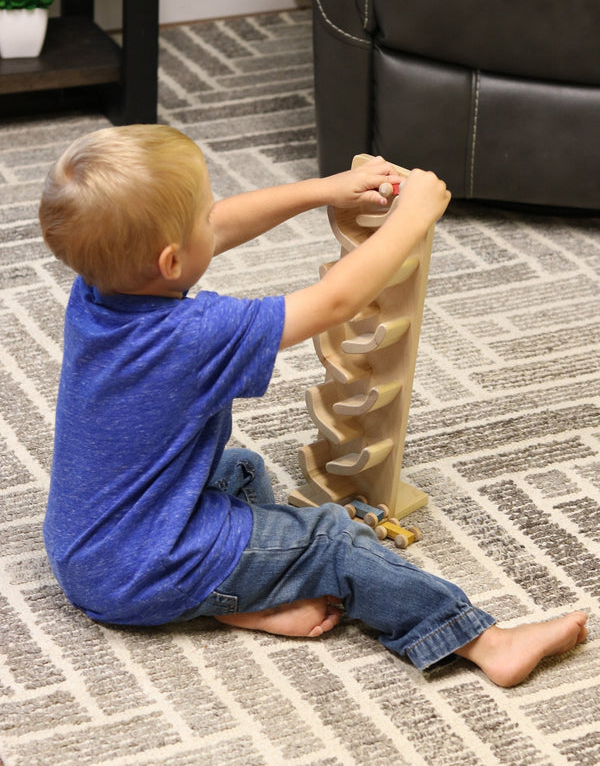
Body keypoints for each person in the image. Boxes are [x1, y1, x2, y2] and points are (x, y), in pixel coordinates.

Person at [38, 125, 587, 688]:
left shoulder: (95, 289)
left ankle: (239, 596)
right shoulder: (196, 335)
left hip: (89, 547)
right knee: (333, 540)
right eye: (203, 216)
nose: (216, 218)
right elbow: (337, 301)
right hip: (147, 569)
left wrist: (326, 189)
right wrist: (412, 218)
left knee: (242, 471)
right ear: (172, 261)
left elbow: (222, 223)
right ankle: (482, 641)